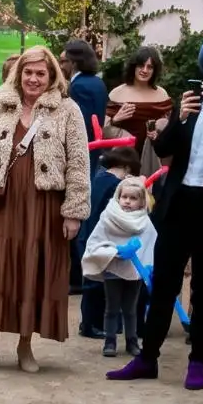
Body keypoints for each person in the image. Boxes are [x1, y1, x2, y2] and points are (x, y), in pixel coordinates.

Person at [107, 46, 203, 391]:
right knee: (163, 285)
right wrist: (180, 118)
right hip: (178, 204)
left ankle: (197, 360)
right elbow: (162, 149)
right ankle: (147, 358)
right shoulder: (190, 107)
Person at [0, 45, 90, 374]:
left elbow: (78, 163)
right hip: (4, 203)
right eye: (28, 72)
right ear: (19, 73)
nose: (33, 79)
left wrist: (73, 211)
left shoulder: (67, 110)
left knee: (33, 273)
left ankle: (24, 346)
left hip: (44, 206)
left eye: (40, 73)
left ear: (52, 77)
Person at [82, 176, 157, 358]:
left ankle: (132, 341)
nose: (127, 202)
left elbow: (151, 243)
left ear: (141, 201)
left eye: (133, 198)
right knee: (112, 307)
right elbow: (96, 242)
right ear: (118, 196)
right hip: (113, 269)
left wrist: (148, 265)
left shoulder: (145, 222)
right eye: (125, 197)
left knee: (130, 309)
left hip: (134, 272)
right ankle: (110, 341)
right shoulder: (108, 218)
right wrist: (113, 251)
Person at [76, 145, 142, 340]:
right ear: (128, 168)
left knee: (91, 280)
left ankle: (89, 322)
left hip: (86, 235)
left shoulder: (98, 178)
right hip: (100, 238)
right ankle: (91, 324)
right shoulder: (114, 185)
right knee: (96, 284)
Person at [61, 39, 108, 146]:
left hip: (84, 149)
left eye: (64, 61)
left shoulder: (78, 86)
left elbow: (79, 125)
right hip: (96, 146)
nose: (61, 66)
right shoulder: (98, 82)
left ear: (74, 62)